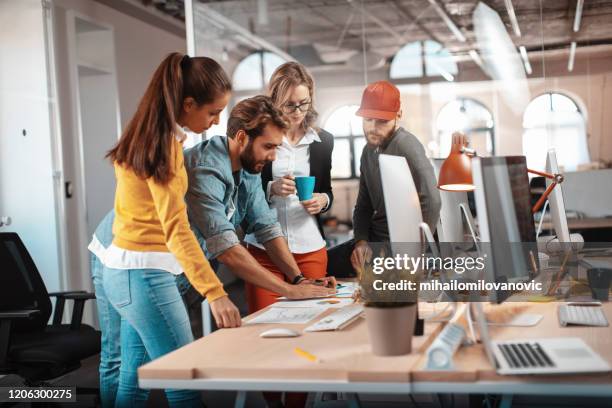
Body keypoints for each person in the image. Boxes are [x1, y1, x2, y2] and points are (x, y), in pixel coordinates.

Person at [90, 52, 240, 407]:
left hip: (123, 271)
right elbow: (176, 229)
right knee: (182, 381)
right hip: (144, 276)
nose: (217, 120)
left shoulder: (146, 135)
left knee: (134, 380)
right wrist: (215, 293)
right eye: (212, 112)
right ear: (188, 104)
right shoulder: (164, 149)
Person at [183, 95, 336, 303]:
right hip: (159, 274)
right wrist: (289, 290)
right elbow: (226, 247)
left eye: (277, 147)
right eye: (268, 147)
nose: (273, 157)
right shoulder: (206, 169)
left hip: (191, 279)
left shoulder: (248, 168)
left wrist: (298, 279)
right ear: (242, 138)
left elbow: (266, 226)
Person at [243, 62, 335, 313]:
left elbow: (327, 190)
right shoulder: (259, 137)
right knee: (265, 326)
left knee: (312, 325)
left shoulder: (323, 141)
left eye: (304, 103)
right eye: (290, 104)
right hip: (265, 252)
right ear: (275, 101)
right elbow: (243, 194)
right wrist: (271, 188)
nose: (298, 111)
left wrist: (322, 201)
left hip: (310, 249)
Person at [349, 80, 441, 272]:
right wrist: (361, 241)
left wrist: (416, 253)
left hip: (402, 248)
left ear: (398, 115)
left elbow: (432, 201)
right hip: (376, 241)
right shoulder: (368, 152)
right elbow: (363, 206)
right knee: (331, 262)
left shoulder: (406, 145)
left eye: (382, 120)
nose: (373, 127)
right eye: (368, 119)